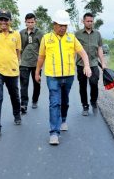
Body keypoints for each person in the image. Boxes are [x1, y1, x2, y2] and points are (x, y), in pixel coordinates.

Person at [35, 10, 91, 145]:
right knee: (54, 102)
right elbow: (41, 57)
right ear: (54, 24)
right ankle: (54, 132)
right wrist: (37, 72)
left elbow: (82, 53)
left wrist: (87, 66)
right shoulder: (46, 38)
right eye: (60, 25)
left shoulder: (71, 38)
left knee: (64, 100)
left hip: (68, 76)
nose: (63, 28)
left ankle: (63, 119)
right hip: (52, 76)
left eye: (65, 25)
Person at [0, 9, 22, 139]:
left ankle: (17, 114)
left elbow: (18, 52)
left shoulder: (16, 34)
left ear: (10, 21)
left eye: (6, 19)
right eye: (1, 19)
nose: (3, 22)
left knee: (14, 96)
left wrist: (13, 62)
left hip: (12, 71)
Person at [75, 12, 106, 116]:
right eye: (87, 21)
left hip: (93, 64)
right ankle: (85, 105)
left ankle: (93, 101)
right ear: (83, 21)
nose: (89, 23)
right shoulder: (77, 34)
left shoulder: (97, 34)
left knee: (94, 83)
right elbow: (73, 49)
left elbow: (100, 49)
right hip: (81, 65)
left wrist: (103, 63)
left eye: (91, 21)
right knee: (82, 86)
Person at [19, 13, 43, 114]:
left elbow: (43, 48)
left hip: (36, 63)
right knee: (24, 84)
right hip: (24, 63)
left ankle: (35, 100)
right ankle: (24, 104)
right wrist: (19, 60)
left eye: (32, 22)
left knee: (36, 83)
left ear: (35, 22)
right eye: (28, 22)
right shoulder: (21, 33)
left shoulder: (40, 33)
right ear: (25, 22)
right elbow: (19, 48)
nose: (30, 24)